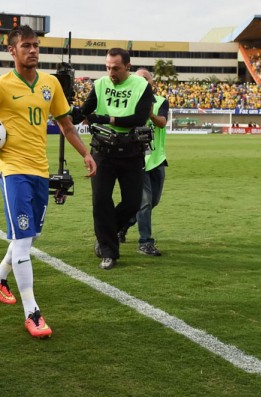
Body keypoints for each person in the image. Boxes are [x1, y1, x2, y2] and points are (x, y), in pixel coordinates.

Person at [0, 25, 96, 339]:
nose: (33, 50)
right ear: (12, 51)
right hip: (14, 172)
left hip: (40, 172)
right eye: (26, 46)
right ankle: (32, 312)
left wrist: (86, 155)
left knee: (29, 237)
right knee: (23, 241)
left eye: (36, 45)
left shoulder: (50, 84)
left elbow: (67, 126)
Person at [77, 47, 154, 270]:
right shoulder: (100, 84)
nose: (111, 72)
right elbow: (85, 110)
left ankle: (107, 233)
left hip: (132, 152)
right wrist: (70, 112)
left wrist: (106, 117)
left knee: (132, 203)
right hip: (102, 151)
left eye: (116, 68)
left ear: (128, 67)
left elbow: (139, 118)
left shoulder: (141, 86)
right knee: (100, 201)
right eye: (108, 67)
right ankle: (108, 251)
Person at [119, 68, 168, 256]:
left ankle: (122, 225)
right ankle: (145, 242)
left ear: (152, 82)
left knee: (152, 201)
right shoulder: (130, 101)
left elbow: (162, 122)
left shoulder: (161, 102)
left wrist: (149, 114)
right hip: (137, 159)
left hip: (157, 159)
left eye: (146, 79)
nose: (143, 82)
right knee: (145, 203)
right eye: (139, 79)